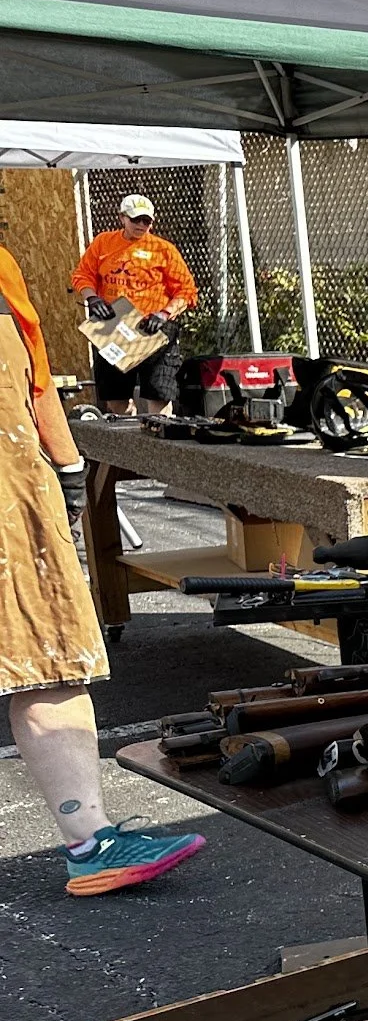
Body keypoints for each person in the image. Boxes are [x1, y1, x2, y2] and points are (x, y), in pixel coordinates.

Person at [2, 241, 207, 895]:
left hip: (13, 492)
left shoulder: (3, 266)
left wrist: (64, 468)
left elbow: (35, 380)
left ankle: (90, 841)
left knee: (48, 658)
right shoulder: (98, 250)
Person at [70, 193, 197, 415]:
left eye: (146, 221)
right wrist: (92, 298)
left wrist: (165, 314)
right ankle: (125, 440)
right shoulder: (103, 243)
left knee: (159, 391)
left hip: (153, 327)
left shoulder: (163, 250)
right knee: (115, 394)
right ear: (122, 218)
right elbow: (83, 275)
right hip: (115, 324)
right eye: (135, 219)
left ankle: (159, 437)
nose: (141, 225)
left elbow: (186, 290)